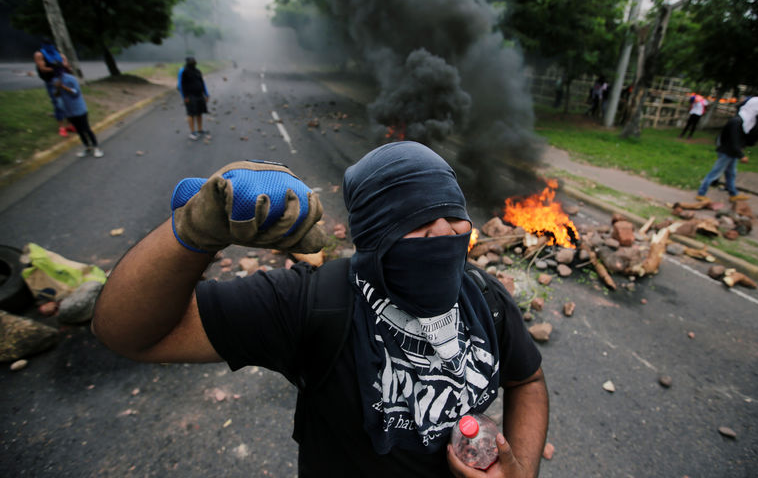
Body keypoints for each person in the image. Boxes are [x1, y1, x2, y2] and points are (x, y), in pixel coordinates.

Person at [92, 141, 549, 477]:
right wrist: (193, 234)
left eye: (453, 220)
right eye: (417, 223)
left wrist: (521, 473)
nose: (443, 235)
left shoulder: (483, 297)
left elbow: (527, 379)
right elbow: (127, 333)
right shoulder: (312, 303)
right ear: (371, 238)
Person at [696, 96, 758, 202]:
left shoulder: (748, 122)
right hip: (727, 150)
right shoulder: (736, 122)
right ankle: (701, 193)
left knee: (731, 173)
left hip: (733, 151)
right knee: (715, 172)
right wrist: (741, 155)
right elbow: (733, 140)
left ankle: (733, 193)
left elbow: (750, 137)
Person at [54, 71, 103, 158]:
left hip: (79, 109)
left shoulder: (70, 79)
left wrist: (62, 86)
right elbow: (56, 95)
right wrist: (58, 88)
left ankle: (96, 148)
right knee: (79, 131)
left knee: (86, 129)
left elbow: (76, 93)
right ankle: (87, 147)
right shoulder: (54, 80)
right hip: (68, 110)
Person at [33, 37, 72, 137]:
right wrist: (55, 68)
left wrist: (64, 65)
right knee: (58, 103)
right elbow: (42, 68)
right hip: (52, 82)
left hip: (63, 80)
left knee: (67, 102)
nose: (49, 46)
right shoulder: (40, 54)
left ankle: (69, 124)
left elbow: (66, 64)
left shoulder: (58, 53)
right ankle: (61, 127)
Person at [177, 56, 210, 140]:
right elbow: (180, 85)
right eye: (192, 61)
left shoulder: (197, 71)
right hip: (190, 96)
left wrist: (206, 94)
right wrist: (184, 96)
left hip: (199, 94)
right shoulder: (183, 71)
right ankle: (192, 132)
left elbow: (202, 82)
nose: (194, 62)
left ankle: (200, 130)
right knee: (191, 113)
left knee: (199, 112)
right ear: (187, 62)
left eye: (194, 61)